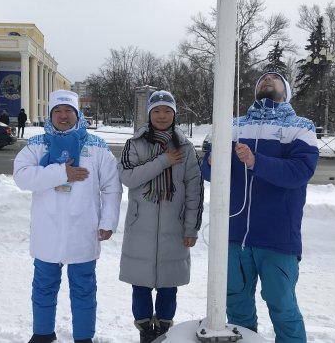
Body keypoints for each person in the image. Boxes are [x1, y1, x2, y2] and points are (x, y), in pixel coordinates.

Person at [202, 72, 319, 343]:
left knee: (283, 308)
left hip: (277, 238)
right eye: (262, 79)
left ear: (286, 90)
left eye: (274, 78)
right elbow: (211, 173)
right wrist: (209, 163)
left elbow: (300, 171)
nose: (267, 80)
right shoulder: (233, 124)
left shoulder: (301, 126)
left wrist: (257, 162)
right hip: (233, 236)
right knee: (237, 308)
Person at [13, 89, 123, 343]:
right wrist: (62, 173)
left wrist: (108, 221)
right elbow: (22, 177)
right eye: (58, 111)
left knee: (84, 289)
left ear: (77, 114)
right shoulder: (37, 144)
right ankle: (42, 333)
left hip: (82, 229)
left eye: (68, 111)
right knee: (43, 287)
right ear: (51, 115)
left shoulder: (96, 146)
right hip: (47, 230)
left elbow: (111, 187)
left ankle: (84, 337)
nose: (63, 116)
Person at [118, 90, 204, 343]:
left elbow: (194, 191)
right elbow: (128, 178)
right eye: (157, 111)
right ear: (149, 115)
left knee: (169, 285)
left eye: (167, 110)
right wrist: (164, 161)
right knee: (140, 285)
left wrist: (191, 229)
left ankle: (164, 330)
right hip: (140, 226)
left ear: (175, 114)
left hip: (174, 227)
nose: (162, 115)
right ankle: (146, 330)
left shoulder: (186, 148)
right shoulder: (134, 144)